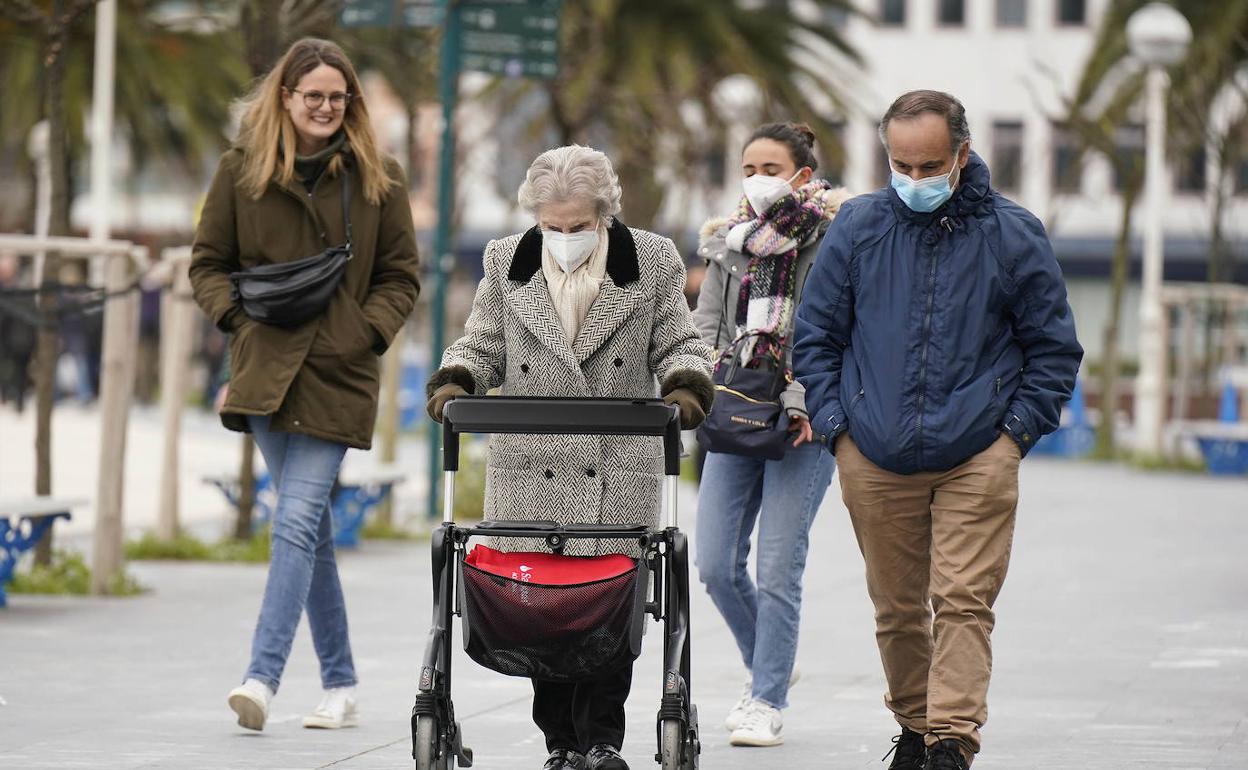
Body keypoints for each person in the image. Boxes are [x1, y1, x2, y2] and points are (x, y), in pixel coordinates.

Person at [793, 90, 1083, 770]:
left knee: (961, 600)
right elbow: (816, 337)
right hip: (873, 452)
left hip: (978, 453)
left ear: (962, 153)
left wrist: (1014, 436)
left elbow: (1054, 350)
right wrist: (837, 429)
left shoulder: (1014, 233)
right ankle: (916, 726)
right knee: (897, 609)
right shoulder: (858, 226)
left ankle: (951, 740)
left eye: (929, 166)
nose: (915, 179)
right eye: (902, 165)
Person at [425, 144, 713, 770]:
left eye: (577, 225)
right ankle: (560, 743)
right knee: (543, 611)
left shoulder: (652, 259)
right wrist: (457, 379)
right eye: (550, 226)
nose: (562, 237)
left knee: (609, 607)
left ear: (604, 214)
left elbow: (678, 342)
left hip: (616, 463)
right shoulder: (506, 259)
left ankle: (603, 741)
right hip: (532, 466)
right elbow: (483, 342)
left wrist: (686, 385)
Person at [188, 37, 420, 733]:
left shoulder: (380, 176)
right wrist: (238, 322)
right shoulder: (241, 170)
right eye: (312, 95)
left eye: (336, 97)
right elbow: (207, 263)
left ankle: (261, 677)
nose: (324, 107)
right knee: (309, 530)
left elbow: (401, 274)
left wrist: (363, 332)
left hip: (338, 372)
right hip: (265, 371)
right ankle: (341, 684)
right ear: (284, 98)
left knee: (291, 521)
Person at [690, 122, 850, 747]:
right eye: (749, 169)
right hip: (736, 412)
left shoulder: (836, 240)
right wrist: (706, 383)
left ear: (802, 175)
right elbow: (705, 325)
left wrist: (806, 398)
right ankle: (770, 660)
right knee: (714, 564)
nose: (757, 179)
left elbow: (840, 331)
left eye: (771, 169)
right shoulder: (727, 242)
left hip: (804, 421)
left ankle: (766, 698)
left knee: (779, 567)